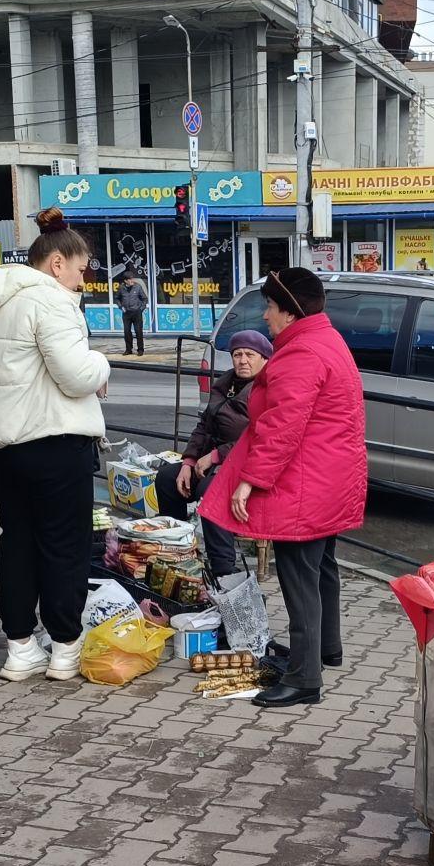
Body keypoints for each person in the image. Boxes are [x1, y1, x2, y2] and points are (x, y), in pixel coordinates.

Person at [200, 267, 366, 709]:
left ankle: (304, 678)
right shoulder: (325, 340)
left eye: (270, 308)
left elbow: (281, 426)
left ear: (290, 312)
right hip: (331, 476)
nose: (266, 316)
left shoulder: (300, 353)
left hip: (306, 481)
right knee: (321, 567)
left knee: (299, 578)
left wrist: (251, 482)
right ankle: (324, 651)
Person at [0, 208, 111, 683]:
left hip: (3, 445)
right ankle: (65, 646)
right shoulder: (50, 300)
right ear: (57, 263)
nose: (83, 280)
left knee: (17, 542)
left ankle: (20, 646)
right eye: (81, 269)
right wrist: (103, 366)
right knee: (64, 546)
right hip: (53, 441)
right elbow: (75, 373)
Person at [155, 329, 270, 579]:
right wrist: (188, 461)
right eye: (237, 354)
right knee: (166, 478)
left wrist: (217, 455)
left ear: (264, 359)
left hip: (247, 468)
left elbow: (260, 437)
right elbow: (204, 426)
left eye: (250, 354)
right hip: (212, 460)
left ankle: (224, 570)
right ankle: (178, 549)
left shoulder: (267, 388)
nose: (243, 360)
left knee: (211, 493)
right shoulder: (225, 384)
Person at [115, 268, 149, 357]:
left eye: (132, 278)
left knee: (138, 332)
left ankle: (140, 350)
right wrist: (120, 306)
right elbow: (117, 298)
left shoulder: (137, 287)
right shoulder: (121, 288)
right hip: (126, 314)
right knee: (127, 332)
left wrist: (141, 308)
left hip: (137, 313)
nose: (131, 281)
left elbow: (144, 299)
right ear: (125, 281)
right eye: (129, 279)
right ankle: (128, 349)